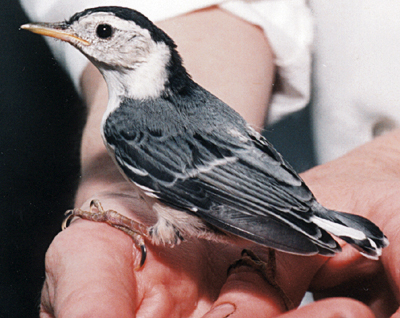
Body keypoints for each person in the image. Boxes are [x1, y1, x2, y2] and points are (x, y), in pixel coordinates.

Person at [20, 1, 399, 317]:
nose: (82, 36)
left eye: (103, 32)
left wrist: (120, 220)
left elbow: (202, 200)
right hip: (289, 192)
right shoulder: (139, 117)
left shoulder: (125, 125)